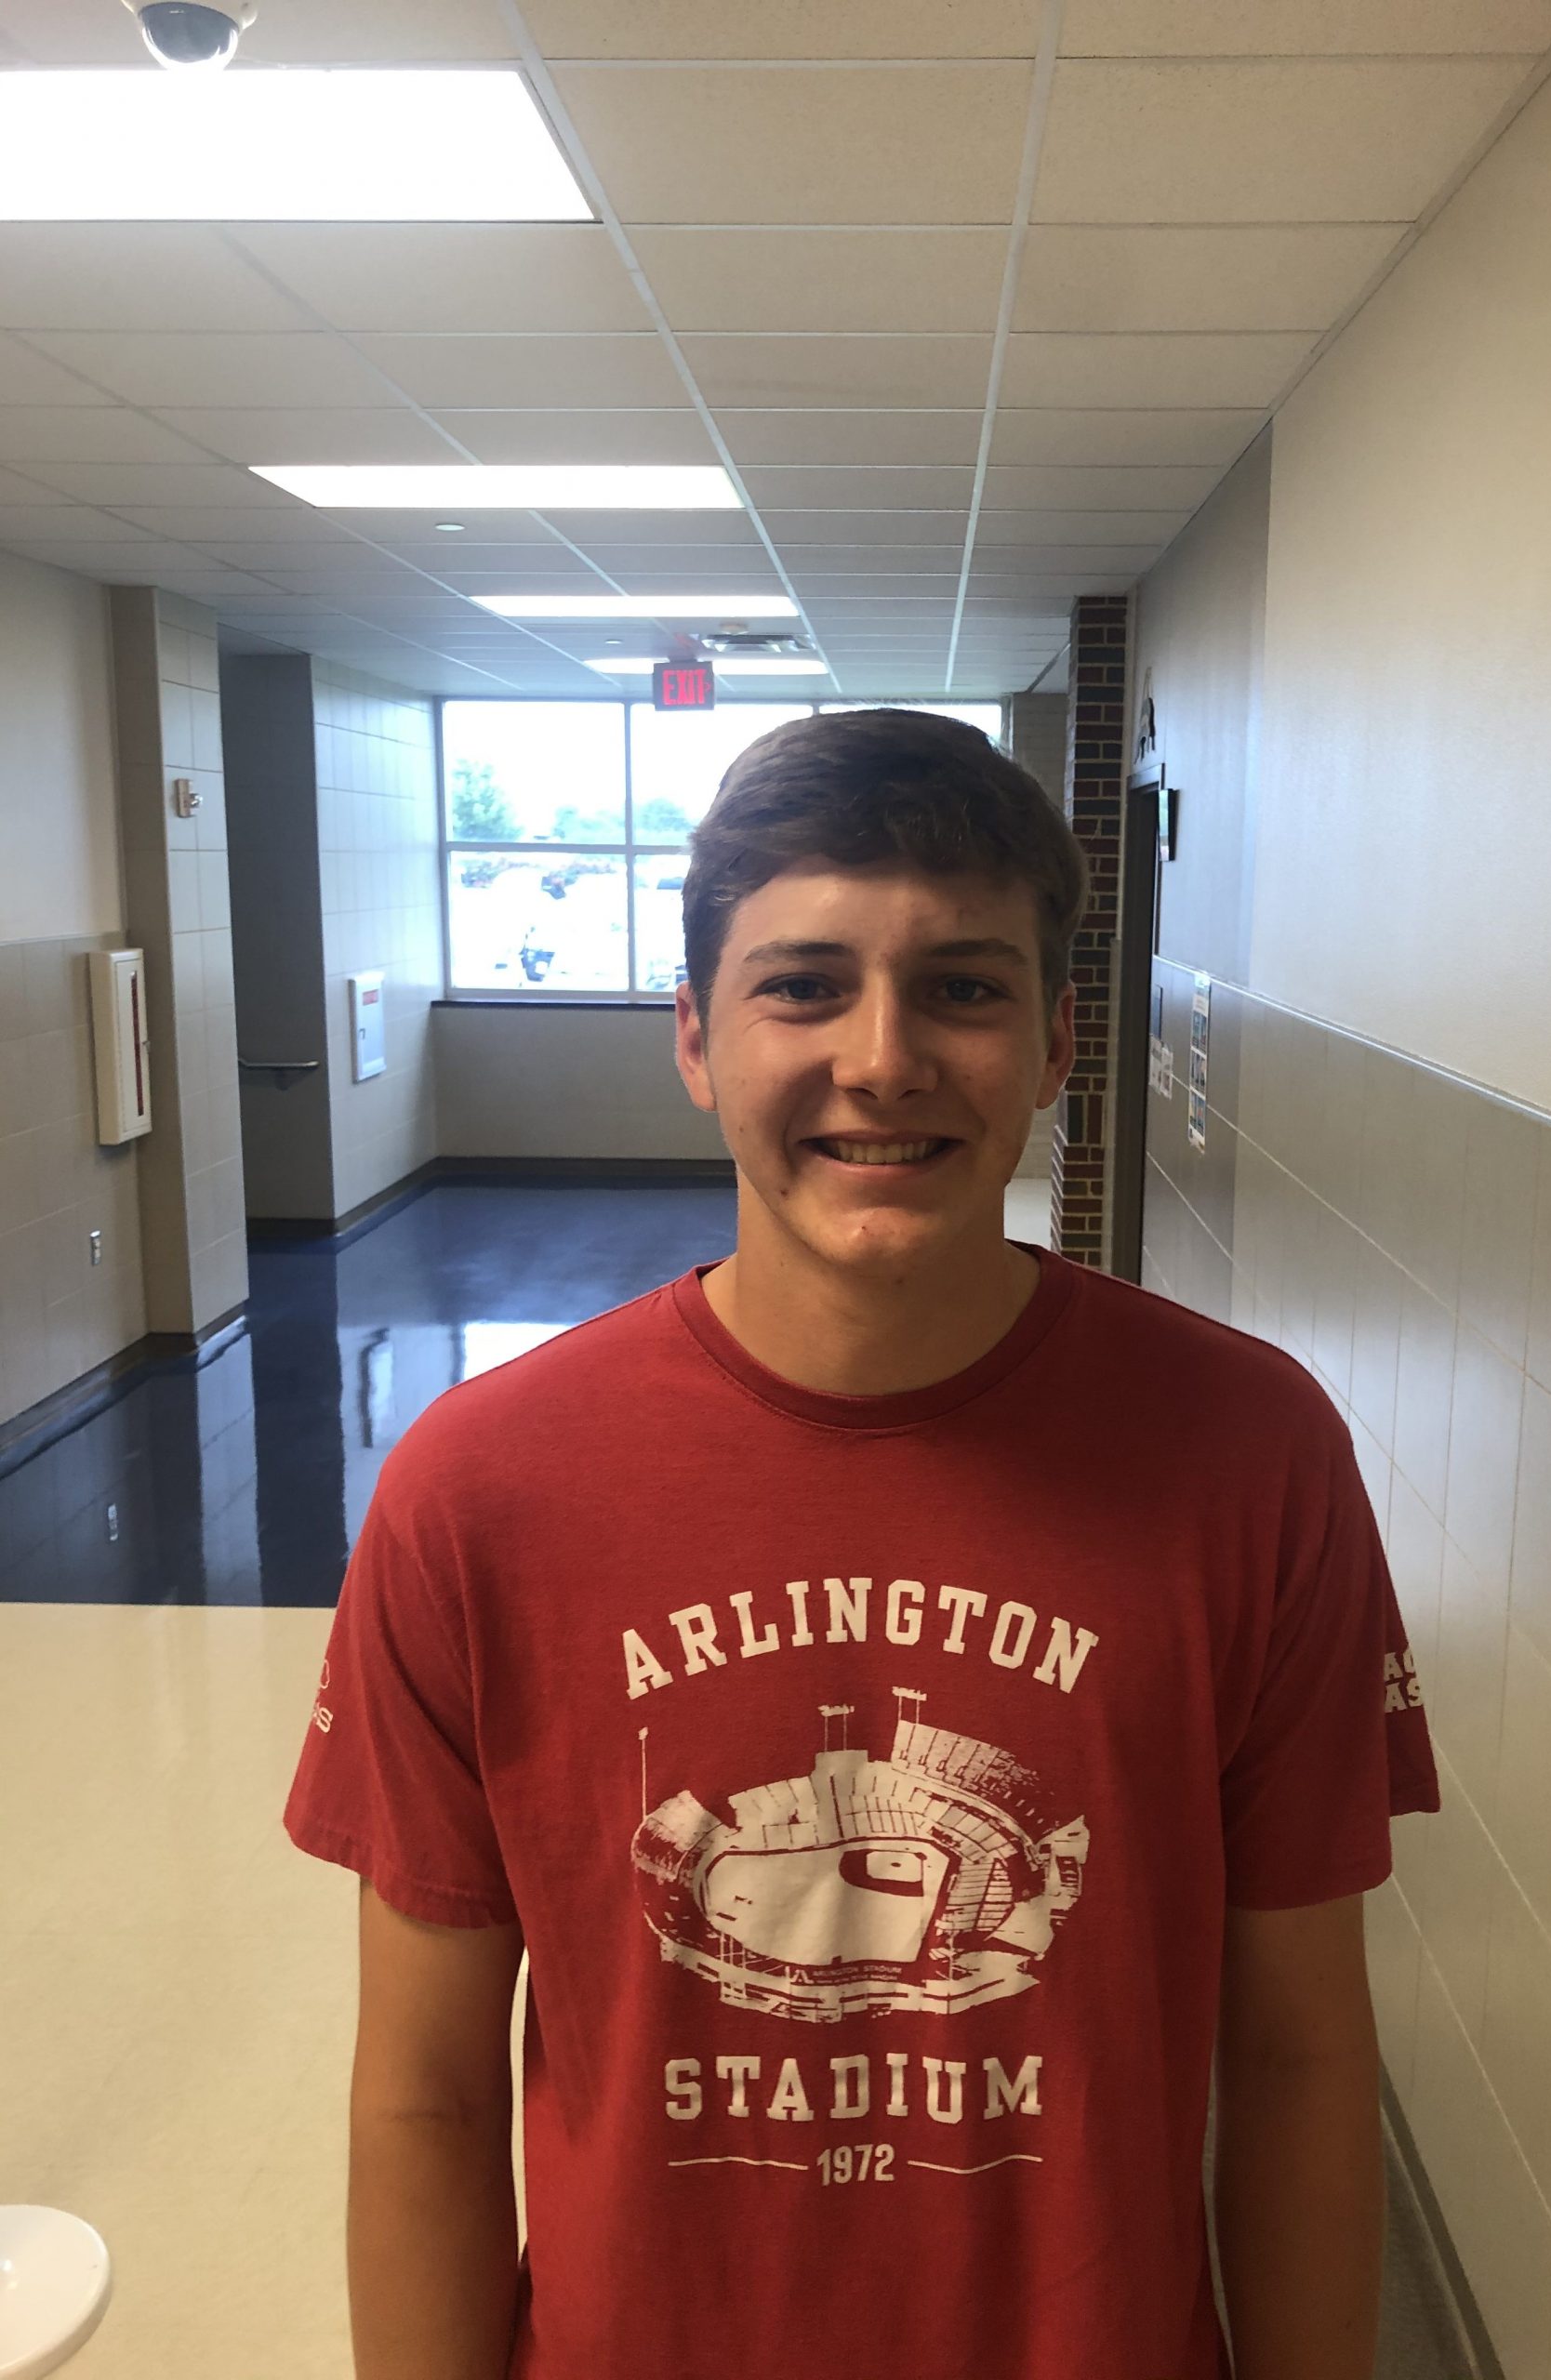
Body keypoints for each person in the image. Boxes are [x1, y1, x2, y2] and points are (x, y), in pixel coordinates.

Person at [284, 705, 1441, 2380]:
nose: (884, 1058)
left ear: (1057, 1042)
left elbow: (1299, 2056)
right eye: (804, 986)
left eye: (962, 987)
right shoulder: (480, 1491)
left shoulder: (1253, 1459)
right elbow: (426, 2093)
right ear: (696, 1038)